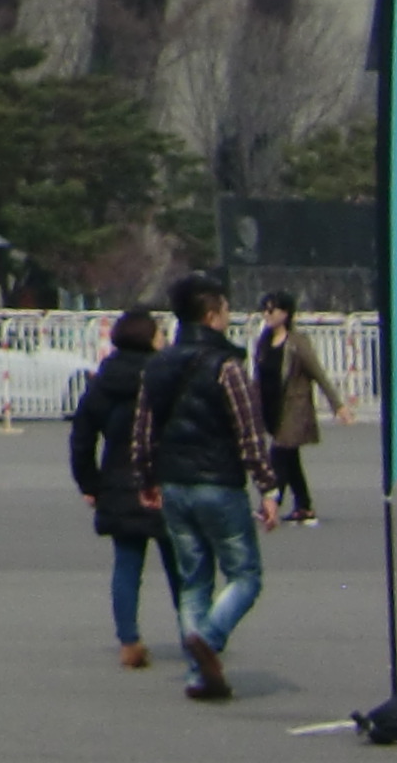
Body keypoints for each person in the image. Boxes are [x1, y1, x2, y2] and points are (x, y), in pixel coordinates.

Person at [130, 270, 277, 701]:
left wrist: (146, 476)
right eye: (226, 309)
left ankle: (199, 673)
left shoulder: (157, 365)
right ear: (212, 315)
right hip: (219, 482)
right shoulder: (226, 365)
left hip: (175, 483)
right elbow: (249, 430)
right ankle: (208, 640)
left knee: (194, 580)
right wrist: (267, 486)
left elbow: (143, 429)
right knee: (245, 575)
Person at [66, 308, 180, 668]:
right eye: (159, 333)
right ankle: (194, 632)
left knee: (127, 564)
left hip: (117, 478)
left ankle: (129, 640)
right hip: (164, 478)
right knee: (180, 563)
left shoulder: (104, 380)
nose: (164, 339)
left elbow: (82, 435)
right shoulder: (165, 375)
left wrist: (89, 482)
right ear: (148, 338)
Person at [248, 291, 347, 524]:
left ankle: (270, 505)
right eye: (264, 310)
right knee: (291, 459)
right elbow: (258, 378)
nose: (267, 314)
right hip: (272, 407)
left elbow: (318, 374)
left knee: (279, 455)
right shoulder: (263, 342)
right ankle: (304, 506)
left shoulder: (297, 342)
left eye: (271, 310)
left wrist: (338, 406)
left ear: (285, 313)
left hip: (293, 409)